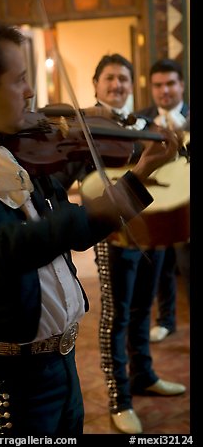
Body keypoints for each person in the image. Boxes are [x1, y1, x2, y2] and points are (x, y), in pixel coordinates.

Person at [0, 15, 179, 436]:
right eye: (20, 79)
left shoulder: (19, 146)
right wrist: (100, 206)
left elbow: (76, 233)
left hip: (63, 364)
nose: (31, 92)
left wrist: (137, 177)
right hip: (12, 378)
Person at [88, 54, 186, 434]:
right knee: (117, 314)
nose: (117, 85)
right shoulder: (88, 128)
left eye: (124, 79)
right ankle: (119, 398)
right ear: (95, 84)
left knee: (145, 306)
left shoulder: (145, 125)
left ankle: (144, 374)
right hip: (112, 233)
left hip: (151, 228)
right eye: (109, 78)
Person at [137, 58, 190, 343]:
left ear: (181, 85)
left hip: (187, 207)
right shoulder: (140, 120)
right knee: (159, 268)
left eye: (170, 84)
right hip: (155, 204)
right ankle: (166, 320)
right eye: (158, 85)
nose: (164, 91)